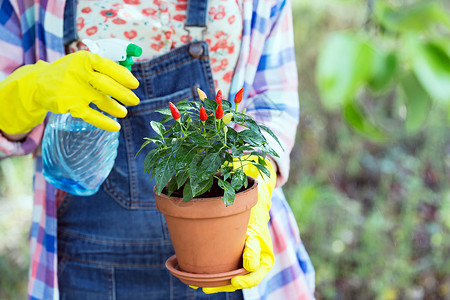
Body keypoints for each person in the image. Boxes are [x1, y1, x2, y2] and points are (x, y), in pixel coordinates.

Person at [0, 0, 315, 299]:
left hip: (227, 251)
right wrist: (32, 89)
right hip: (88, 260)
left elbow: (272, 101)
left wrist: (252, 194)